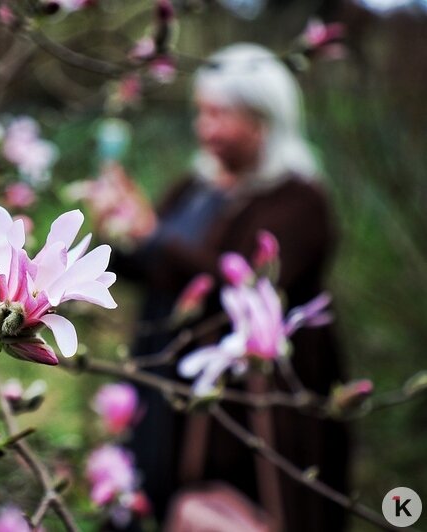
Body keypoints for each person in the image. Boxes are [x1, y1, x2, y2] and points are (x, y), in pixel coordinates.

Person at [93, 43, 350, 531]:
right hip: (168, 371)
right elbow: (158, 265)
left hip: (251, 407)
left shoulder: (299, 200)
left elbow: (242, 282)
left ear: (262, 122)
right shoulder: (197, 187)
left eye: (219, 115)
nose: (204, 129)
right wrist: (120, 233)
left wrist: (153, 236)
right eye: (201, 113)